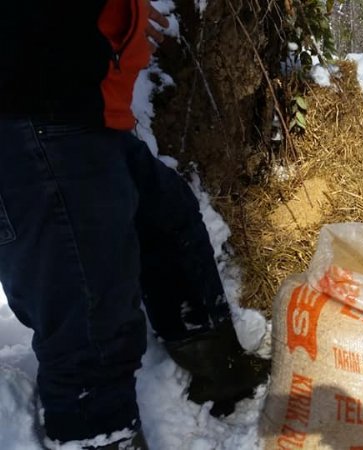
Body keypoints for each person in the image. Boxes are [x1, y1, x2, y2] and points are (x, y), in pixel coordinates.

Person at [0, 1, 269, 449]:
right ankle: (99, 436)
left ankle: (218, 373)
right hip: (34, 115)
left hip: (85, 112)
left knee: (170, 226)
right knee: (89, 309)